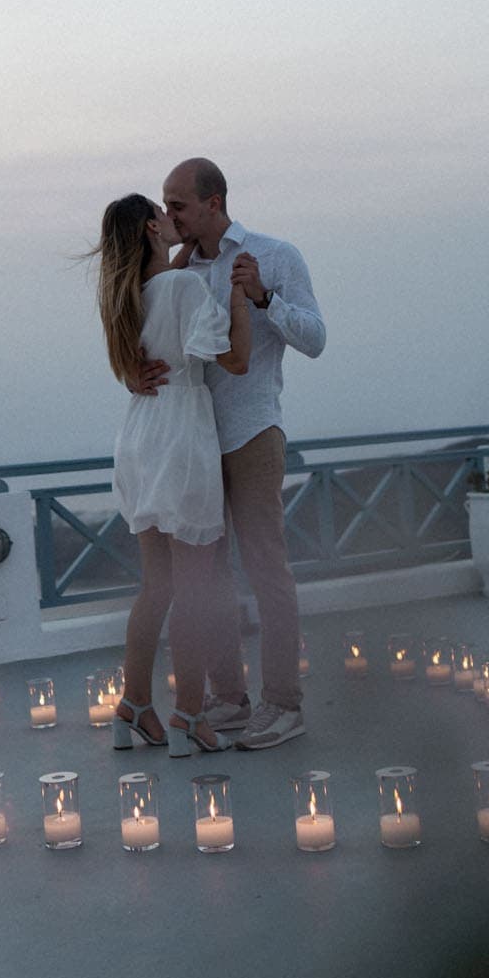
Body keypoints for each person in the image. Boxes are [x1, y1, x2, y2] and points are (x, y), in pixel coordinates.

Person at [132, 158, 325, 750]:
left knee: (267, 569)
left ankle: (283, 704)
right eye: (166, 206)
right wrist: (138, 373)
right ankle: (228, 698)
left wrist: (264, 298)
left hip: (251, 433)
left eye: (178, 205)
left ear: (213, 203)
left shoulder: (275, 255)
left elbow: (315, 339)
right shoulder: (177, 270)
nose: (168, 217)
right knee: (206, 578)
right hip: (194, 444)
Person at [95, 193, 254, 757]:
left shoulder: (126, 299)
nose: (171, 219)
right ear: (149, 229)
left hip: (140, 438)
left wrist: (175, 253)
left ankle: (133, 705)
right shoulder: (185, 288)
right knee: (194, 586)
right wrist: (235, 295)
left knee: (157, 586)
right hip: (183, 436)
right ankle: (189, 713)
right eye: (162, 215)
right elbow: (234, 359)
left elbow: (161, 297)